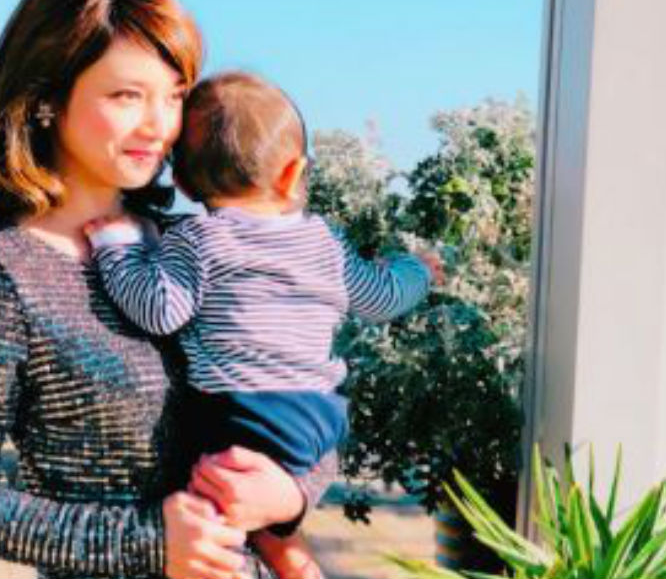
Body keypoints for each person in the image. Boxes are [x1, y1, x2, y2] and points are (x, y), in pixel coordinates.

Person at [0, 0, 331, 579]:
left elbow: (306, 391)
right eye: (126, 95)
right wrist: (150, 541)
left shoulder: (197, 244)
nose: (160, 126)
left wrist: (292, 494)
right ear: (47, 97)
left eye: (174, 95)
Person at [83, 72, 443, 579]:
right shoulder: (324, 241)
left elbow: (159, 309)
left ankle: (261, 560)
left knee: (214, 511)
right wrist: (416, 270)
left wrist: (116, 247)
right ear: (293, 173)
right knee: (255, 507)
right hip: (316, 419)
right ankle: (295, 565)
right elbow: (382, 297)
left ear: (182, 184)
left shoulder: (200, 239)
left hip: (237, 413)